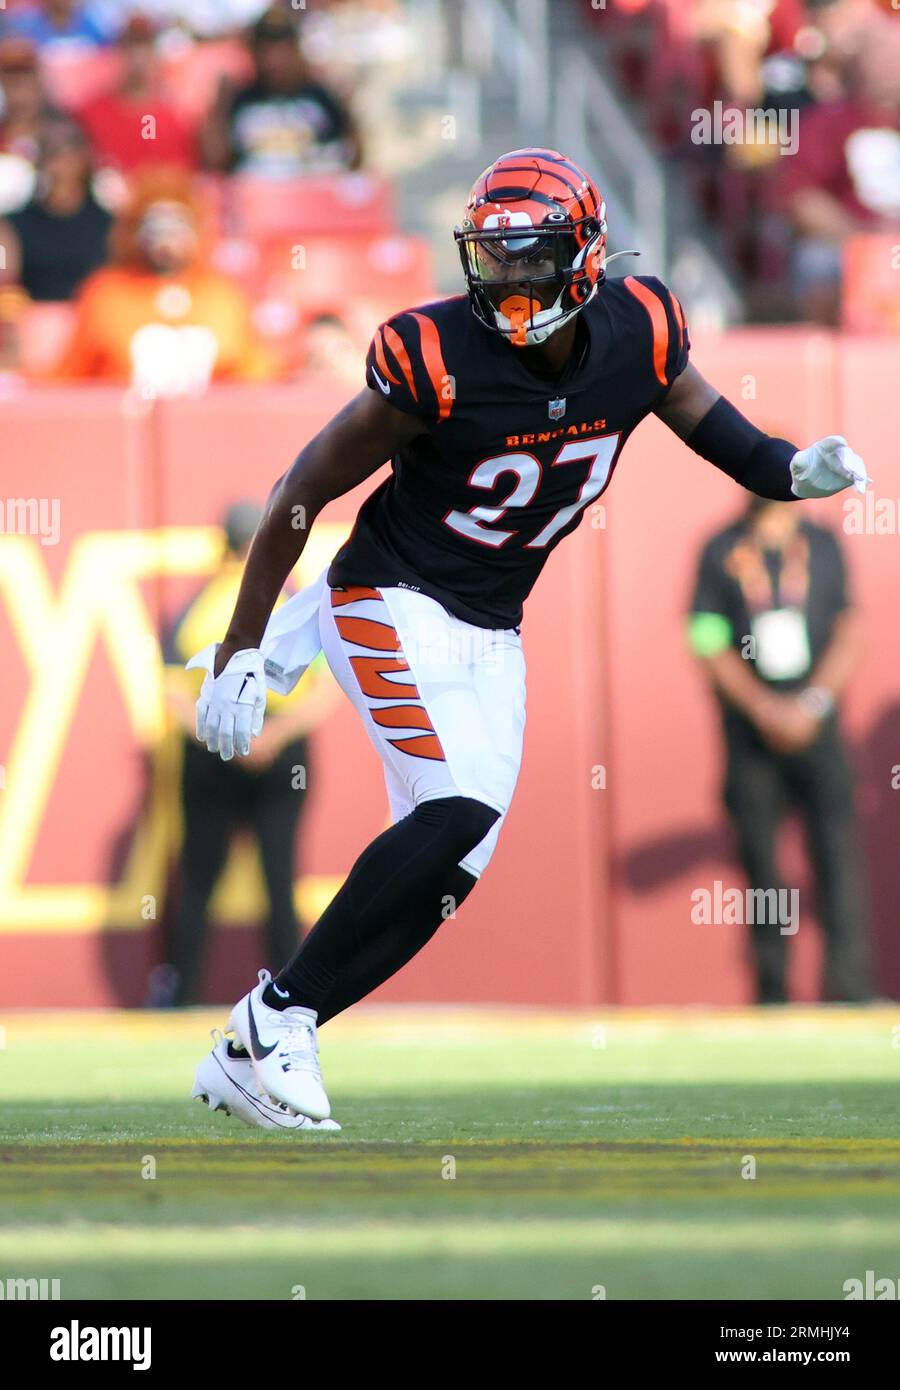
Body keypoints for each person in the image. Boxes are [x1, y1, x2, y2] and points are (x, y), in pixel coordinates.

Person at [186, 148, 870, 1131]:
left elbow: (729, 439)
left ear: (584, 255)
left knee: (453, 865)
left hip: (490, 627)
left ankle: (264, 1041)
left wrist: (793, 471)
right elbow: (305, 488)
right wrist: (243, 644)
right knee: (457, 807)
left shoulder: (642, 331)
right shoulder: (436, 355)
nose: (511, 283)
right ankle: (273, 1018)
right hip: (389, 594)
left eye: (532, 258)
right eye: (495, 261)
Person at [689, 497, 873, 1004]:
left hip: (819, 728)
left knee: (837, 856)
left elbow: (848, 625)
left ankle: (850, 993)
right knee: (763, 866)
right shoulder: (722, 548)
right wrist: (761, 707)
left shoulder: (821, 544)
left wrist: (813, 702)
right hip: (752, 733)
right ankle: (773, 996)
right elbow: (706, 636)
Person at [159, 501, 337, 1010]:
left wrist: (223, 735)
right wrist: (272, 738)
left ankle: (177, 996)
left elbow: (171, 694)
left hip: (213, 746)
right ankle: (298, 999)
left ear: (224, 544)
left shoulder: (197, 606)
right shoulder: (290, 601)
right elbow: (326, 690)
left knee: (197, 880)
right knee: (280, 878)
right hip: (279, 748)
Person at [56, 168, 274, 390]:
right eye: (156, 226)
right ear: (135, 231)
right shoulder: (106, 294)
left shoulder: (222, 295)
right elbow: (72, 376)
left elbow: (253, 374)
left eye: (178, 225)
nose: (167, 238)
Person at [201, 5, 360, 177]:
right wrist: (220, 108)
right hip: (255, 195)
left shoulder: (320, 97)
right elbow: (216, 162)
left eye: (284, 51)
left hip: (310, 194)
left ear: (297, 51)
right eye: (266, 51)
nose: (275, 61)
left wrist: (347, 108)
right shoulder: (241, 98)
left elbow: (354, 161)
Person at [0, 115, 111, 301]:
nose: (61, 162)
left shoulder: (110, 225)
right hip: (34, 321)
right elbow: (5, 279)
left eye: (69, 149)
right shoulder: (13, 227)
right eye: (51, 152)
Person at [76, 14, 199, 175]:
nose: (138, 57)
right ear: (120, 52)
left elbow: (184, 171)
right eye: (131, 47)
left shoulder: (176, 115)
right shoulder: (91, 112)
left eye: (145, 47)